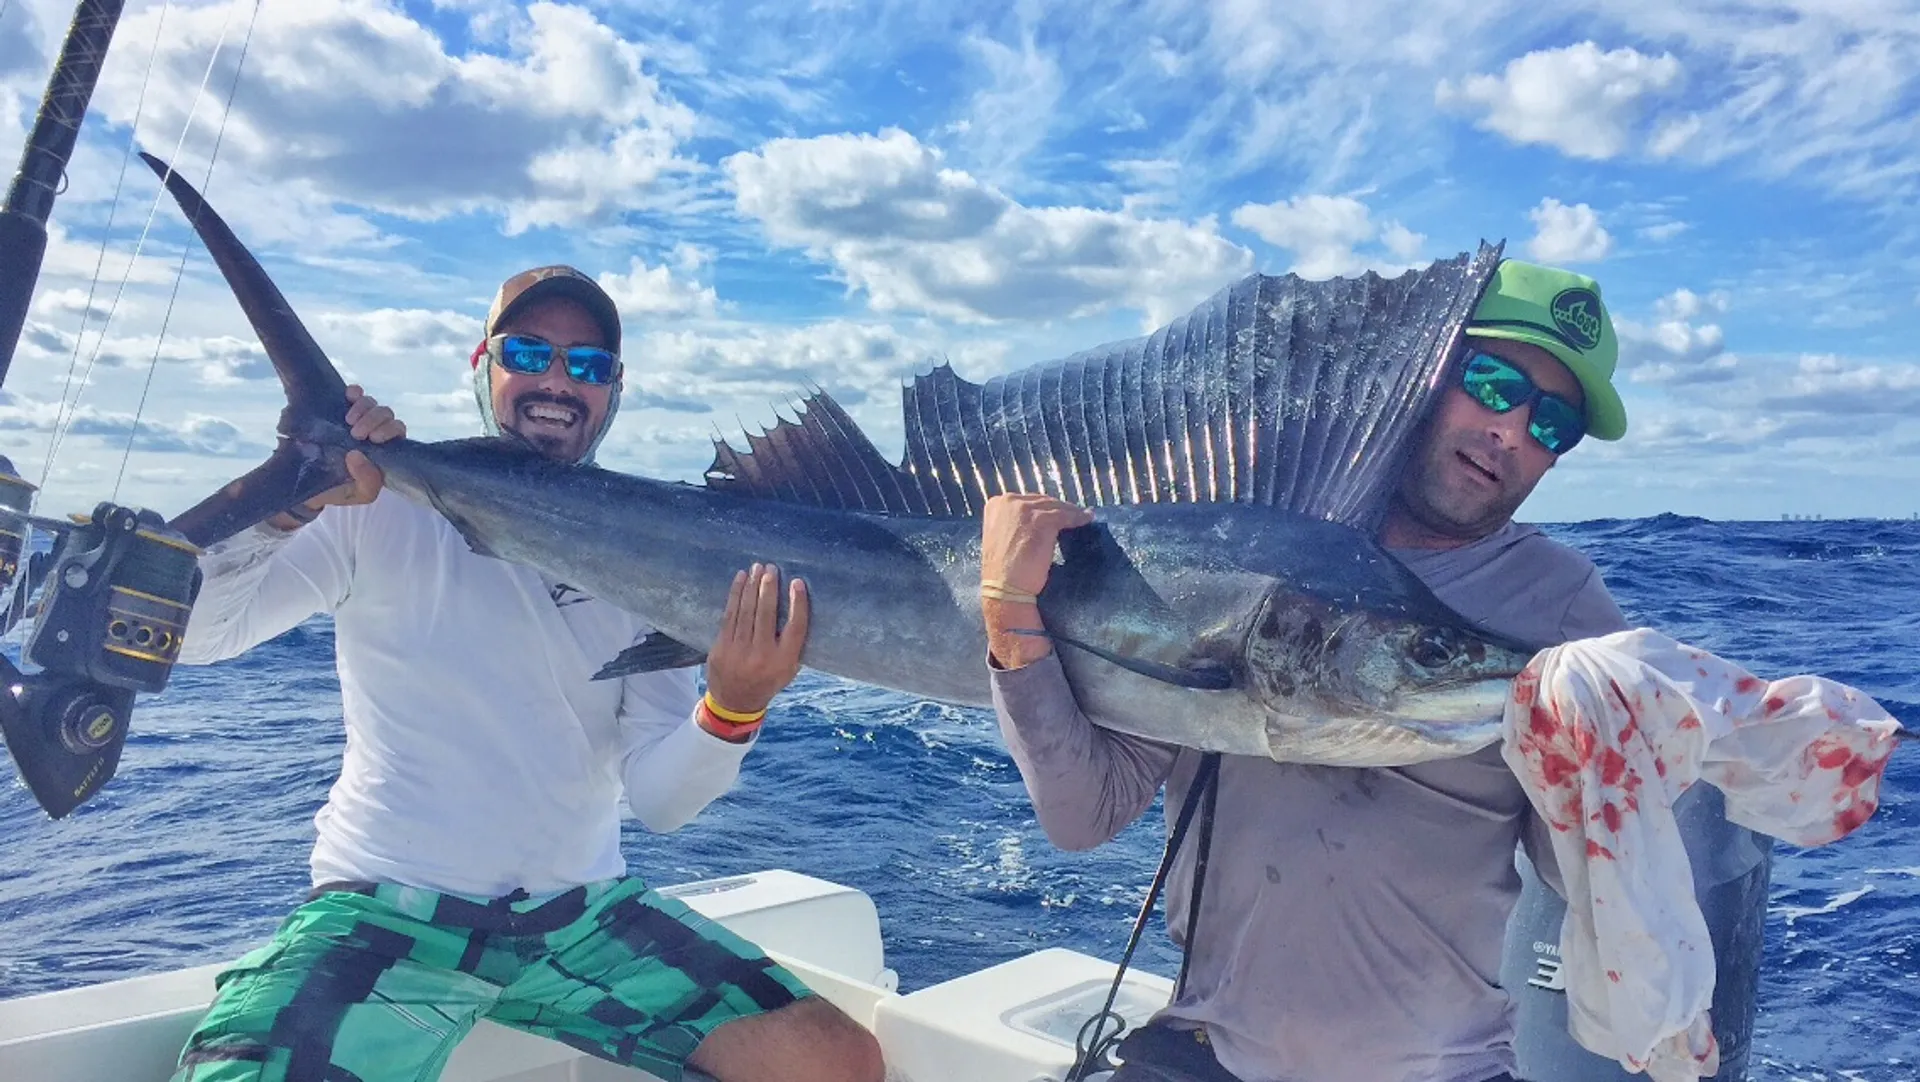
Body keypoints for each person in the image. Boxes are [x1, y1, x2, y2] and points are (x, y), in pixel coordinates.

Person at [168, 266, 884, 1082]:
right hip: (385, 912)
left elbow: (659, 800)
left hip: (580, 918)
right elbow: (194, 637)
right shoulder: (378, 508)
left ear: (613, 389)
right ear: (484, 364)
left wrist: (735, 705)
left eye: (587, 365)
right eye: (528, 352)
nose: (556, 380)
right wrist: (296, 499)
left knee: (836, 1060)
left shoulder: (666, 552)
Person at [978, 259, 1635, 1082]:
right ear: (1424, 372)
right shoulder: (1247, 534)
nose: (1512, 430)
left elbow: (1581, 869)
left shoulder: (1566, 606)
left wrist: (1618, 776)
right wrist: (1010, 620)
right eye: (1494, 383)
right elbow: (1086, 815)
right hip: (1209, 1050)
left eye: (1553, 427)